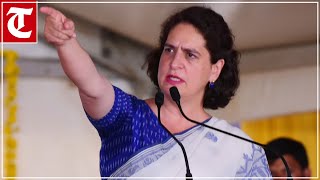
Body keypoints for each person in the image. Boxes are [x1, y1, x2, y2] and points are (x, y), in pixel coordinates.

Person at [40, 5, 271, 178]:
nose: (174, 62)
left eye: (190, 55)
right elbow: (92, 86)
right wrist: (65, 43)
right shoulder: (129, 118)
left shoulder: (239, 149)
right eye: (169, 50)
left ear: (215, 69)